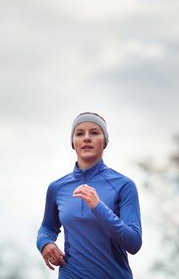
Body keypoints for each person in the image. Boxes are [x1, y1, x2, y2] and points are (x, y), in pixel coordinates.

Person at [36, 112, 142, 278]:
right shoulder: (57, 188)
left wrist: (98, 207)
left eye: (94, 132)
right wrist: (44, 243)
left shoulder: (124, 185)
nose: (86, 138)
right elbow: (47, 227)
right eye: (79, 133)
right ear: (73, 143)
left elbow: (134, 243)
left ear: (105, 141)